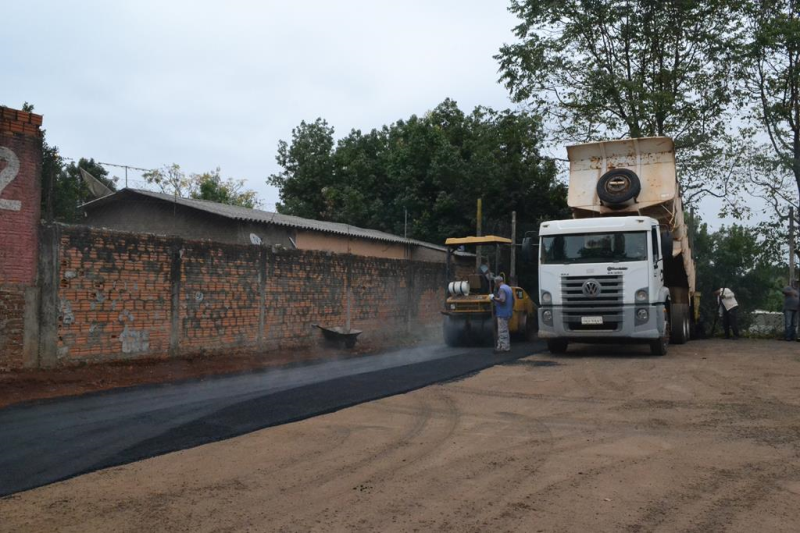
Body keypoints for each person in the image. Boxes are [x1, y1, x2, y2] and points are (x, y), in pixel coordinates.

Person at [490, 275, 514, 352]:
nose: (495, 285)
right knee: (505, 330)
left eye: (495, 283)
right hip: (508, 312)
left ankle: (504, 347)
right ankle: (503, 346)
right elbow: (513, 300)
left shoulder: (502, 289)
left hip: (502, 313)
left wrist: (493, 298)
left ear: (497, 282)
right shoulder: (508, 288)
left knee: (502, 330)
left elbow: (502, 300)